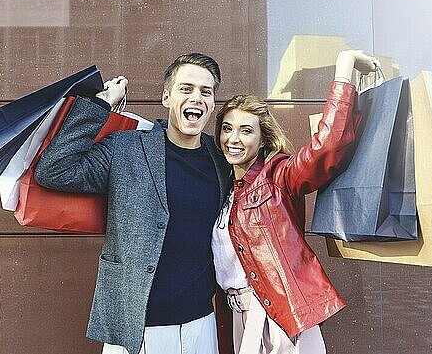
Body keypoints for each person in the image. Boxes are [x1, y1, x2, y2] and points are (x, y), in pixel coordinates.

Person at [34, 53, 232, 354]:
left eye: (206, 92)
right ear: (166, 97)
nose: (197, 97)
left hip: (200, 324)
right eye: (186, 88)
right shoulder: (126, 148)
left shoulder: (220, 159)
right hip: (135, 328)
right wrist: (102, 103)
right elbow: (54, 170)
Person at [211, 50, 378, 354]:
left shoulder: (279, 176)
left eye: (246, 130)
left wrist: (344, 68)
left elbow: (326, 147)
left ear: (263, 139)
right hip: (237, 316)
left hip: (279, 317)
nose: (233, 138)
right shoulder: (224, 188)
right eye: (227, 128)